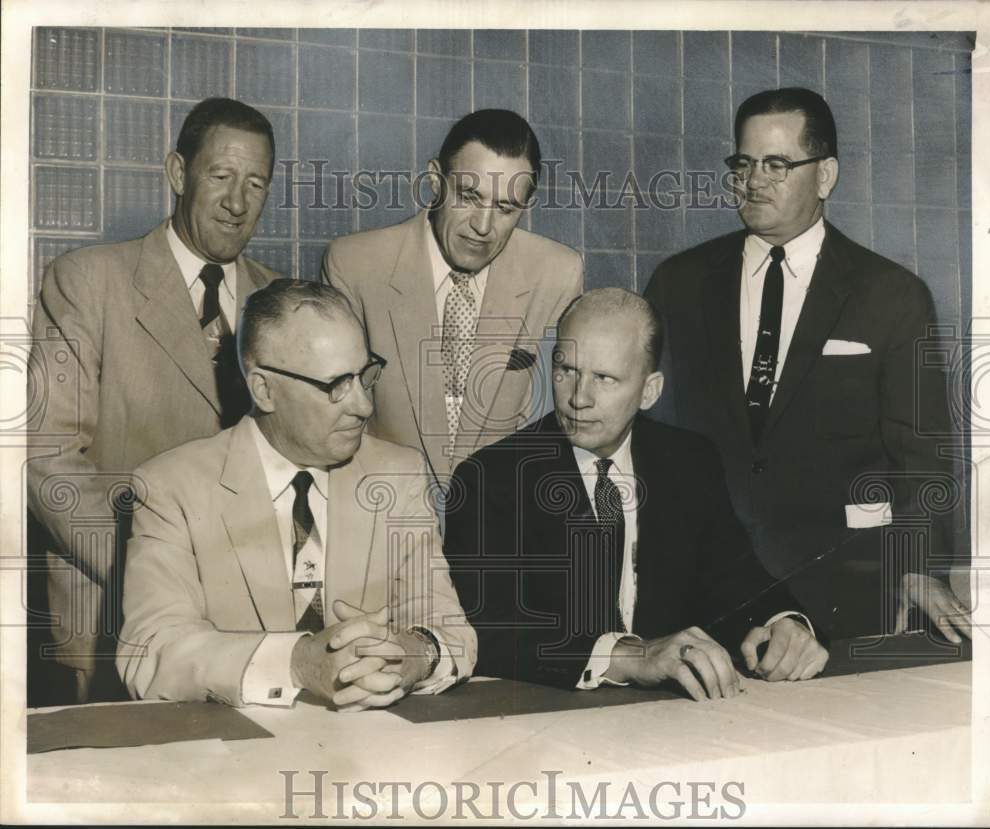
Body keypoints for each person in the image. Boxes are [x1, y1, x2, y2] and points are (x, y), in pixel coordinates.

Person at [643, 87, 970, 643]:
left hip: (843, 594)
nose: (754, 181)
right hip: (703, 594)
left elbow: (922, 450)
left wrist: (919, 566)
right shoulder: (678, 283)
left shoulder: (891, 295)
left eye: (777, 164)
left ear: (825, 176)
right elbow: (652, 437)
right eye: (743, 164)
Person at [444, 289, 827, 698]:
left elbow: (734, 579)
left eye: (604, 378)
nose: (578, 398)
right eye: (566, 370)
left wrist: (784, 621)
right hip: (551, 718)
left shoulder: (689, 459)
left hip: (672, 716)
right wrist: (629, 657)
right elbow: (486, 626)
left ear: (650, 390)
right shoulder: (489, 477)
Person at [26, 97, 281, 705]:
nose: (237, 203)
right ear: (176, 173)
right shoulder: (87, 281)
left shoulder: (279, 298)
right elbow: (45, 458)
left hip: (255, 626)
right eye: (220, 177)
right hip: (115, 619)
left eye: (256, 184)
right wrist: (158, 571)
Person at [117, 279, 476, 708]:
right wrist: (298, 662)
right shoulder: (171, 486)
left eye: (365, 377)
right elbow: (150, 651)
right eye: (335, 385)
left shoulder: (398, 474)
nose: (363, 405)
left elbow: (448, 625)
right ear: (264, 389)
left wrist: (413, 654)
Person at [322, 108, 583, 488]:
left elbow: (550, 425)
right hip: (382, 513)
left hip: (503, 519)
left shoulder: (558, 274)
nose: (482, 227)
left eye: (505, 208)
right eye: (469, 196)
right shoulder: (355, 266)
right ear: (435, 181)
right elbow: (335, 418)